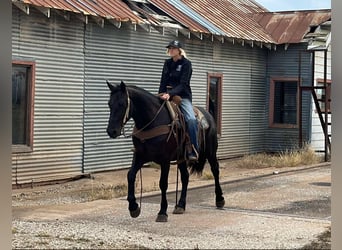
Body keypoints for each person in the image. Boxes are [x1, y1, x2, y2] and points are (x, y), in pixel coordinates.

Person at [158, 40, 199, 161]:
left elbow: (183, 84)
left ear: (179, 50)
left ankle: (193, 148)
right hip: (167, 95)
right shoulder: (167, 63)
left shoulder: (186, 64)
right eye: (170, 48)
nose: (171, 50)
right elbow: (163, 81)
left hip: (182, 96)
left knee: (191, 120)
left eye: (173, 48)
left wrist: (170, 94)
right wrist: (161, 93)